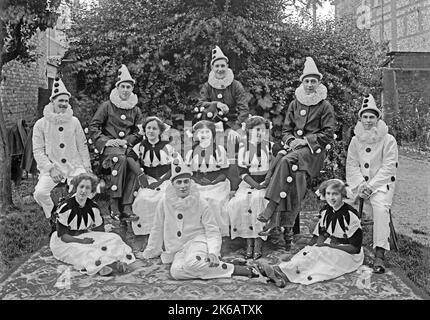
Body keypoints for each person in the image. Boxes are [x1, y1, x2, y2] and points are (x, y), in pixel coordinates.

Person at [257, 57, 335, 250]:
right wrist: (291, 140)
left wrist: (306, 141)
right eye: (306, 81)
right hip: (295, 150)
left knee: (285, 160)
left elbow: (328, 133)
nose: (310, 85)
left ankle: (270, 208)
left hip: (313, 153)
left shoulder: (325, 106)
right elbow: (285, 130)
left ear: (319, 83)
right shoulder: (294, 104)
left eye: (313, 81)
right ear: (302, 82)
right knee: (292, 171)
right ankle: (285, 227)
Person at [137, 160, 259, 280]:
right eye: (179, 182)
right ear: (172, 184)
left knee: (191, 264)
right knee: (176, 272)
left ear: (190, 182)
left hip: (198, 241)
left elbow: (212, 230)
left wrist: (213, 252)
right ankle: (215, 266)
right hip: (179, 248)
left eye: (186, 181)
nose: (183, 186)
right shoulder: (164, 202)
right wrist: (149, 252)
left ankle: (240, 270)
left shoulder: (200, 202)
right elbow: (157, 228)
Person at [257, 179, 364, 287]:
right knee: (310, 252)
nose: (331, 198)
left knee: (322, 254)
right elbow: (321, 234)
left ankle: (283, 274)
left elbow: (355, 248)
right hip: (332, 244)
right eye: (328, 194)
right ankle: (279, 270)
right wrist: (314, 246)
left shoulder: (350, 215)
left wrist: (328, 246)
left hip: (349, 254)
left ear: (342, 195)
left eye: (335, 194)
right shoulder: (326, 211)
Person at [346, 94, 398, 274]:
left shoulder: (388, 139)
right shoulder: (355, 139)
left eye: (372, 117)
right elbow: (351, 164)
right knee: (340, 200)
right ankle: (345, 243)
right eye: (365, 117)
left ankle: (379, 253)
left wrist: (371, 187)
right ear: (360, 119)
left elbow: (389, 167)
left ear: (378, 118)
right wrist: (360, 185)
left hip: (381, 185)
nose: (368, 121)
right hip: (359, 185)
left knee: (381, 208)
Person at [50, 173, 136, 276]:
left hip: (86, 234)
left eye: (87, 188)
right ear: (76, 187)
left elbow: (99, 230)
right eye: (81, 186)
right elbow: (63, 236)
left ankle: (116, 262)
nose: (84, 191)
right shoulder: (65, 207)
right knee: (83, 250)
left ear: (92, 190)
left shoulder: (93, 207)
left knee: (114, 238)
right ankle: (100, 267)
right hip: (66, 240)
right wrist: (82, 241)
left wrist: (101, 240)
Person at [33, 77, 91, 228]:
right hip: (52, 168)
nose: (64, 104)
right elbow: (38, 151)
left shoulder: (74, 121)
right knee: (40, 193)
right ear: (52, 102)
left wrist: (87, 168)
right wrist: (50, 168)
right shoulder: (40, 124)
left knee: (84, 189)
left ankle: (77, 221)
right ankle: (53, 214)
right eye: (61, 101)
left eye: (66, 101)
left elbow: (82, 146)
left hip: (74, 166)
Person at [88, 64, 143, 221]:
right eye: (123, 86)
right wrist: (108, 141)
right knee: (120, 159)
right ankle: (114, 203)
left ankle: (127, 204)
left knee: (132, 161)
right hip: (109, 151)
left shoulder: (136, 110)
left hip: (126, 147)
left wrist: (126, 141)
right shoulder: (107, 106)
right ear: (117, 88)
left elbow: (139, 131)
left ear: (132, 89)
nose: (126, 90)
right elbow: (94, 126)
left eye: (129, 87)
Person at [196, 45, 250, 191]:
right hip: (212, 126)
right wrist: (216, 104)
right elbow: (201, 104)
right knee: (205, 145)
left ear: (227, 66)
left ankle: (233, 187)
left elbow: (243, 108)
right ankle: (210, 183)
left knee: (230, 145)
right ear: (212, 68)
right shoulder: (208, 86)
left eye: (222, 66)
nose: (220, 69)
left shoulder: (235, 85)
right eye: (217, 66)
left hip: (232, 125)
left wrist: (236, 128)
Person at [227, 116, 278, 260]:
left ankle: (258, 242)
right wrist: (255, 185)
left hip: (267, 183)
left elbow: (279, 161)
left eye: (263, 130)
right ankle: (248, 241)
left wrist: (267, 181)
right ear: (249, 132)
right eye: (256, 130)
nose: (260, 133)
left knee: (259, 200)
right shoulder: (244, 148)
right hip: (249, 183)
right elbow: (242, 172)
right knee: (241, 202)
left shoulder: (271, 146)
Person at [125, 116, 179, 238]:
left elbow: (174, 165)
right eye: (148, 128)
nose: (151, 131)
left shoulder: (168, 146)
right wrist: (140, 174)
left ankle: (168, 232)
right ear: (144, 130)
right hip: (149, 179)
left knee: (165, 198)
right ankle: (146, 233)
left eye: (154, 128)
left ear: (160, 131)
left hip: (165, 179)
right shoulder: (141, 146)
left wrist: (160, 181)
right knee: (142, 199)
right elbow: (129, 158)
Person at [185, 120, 231, 236]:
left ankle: (216, 234)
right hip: (197, 183)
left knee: (214, 202)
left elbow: (224, 172)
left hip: (217, 184)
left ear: (213, 134)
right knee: (195, 201)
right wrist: (198, 180)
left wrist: (213, 181)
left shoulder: (219, 150)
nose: (204, 135)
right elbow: (188, 172)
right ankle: (197, 233)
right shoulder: (191, 151)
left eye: (207, 132)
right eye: (201, 132)